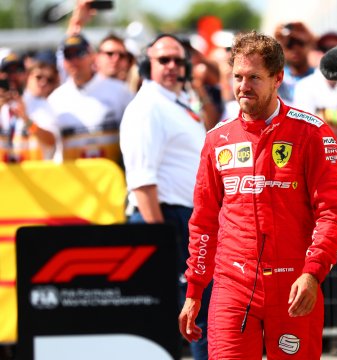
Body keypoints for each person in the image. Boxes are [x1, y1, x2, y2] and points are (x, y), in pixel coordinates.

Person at [179, 30, 337, 359]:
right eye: (238, 77)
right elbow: (203, 221)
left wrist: (313, 273)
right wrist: (195, 289)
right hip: (232, 284)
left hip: (293, 283)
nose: (244, 86)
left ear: (277, 78)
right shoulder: (217, 139)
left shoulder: (311, 132)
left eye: (254, 77)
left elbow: (332, 212)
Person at [120, 33, 211, 360]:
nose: (172, 66)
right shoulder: (147, 108)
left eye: (177, 59)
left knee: (198, 315)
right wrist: (161, 240)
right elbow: (142, 182)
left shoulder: (176, 102)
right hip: (163, 218)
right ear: (148, 64)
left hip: (186, 218)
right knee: (188, 316)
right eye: (163, 60)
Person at [48, 33, 132, 162]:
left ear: (92, 56)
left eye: (79, 53)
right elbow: (49, 144)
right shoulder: (55, 99)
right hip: (74, 178)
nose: (74, 60)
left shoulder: (120, 91)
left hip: (111, 178)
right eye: (68, 55)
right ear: (63, 61)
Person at [0, 53, 56, 162]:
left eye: (18, 71)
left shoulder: (40, 104)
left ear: (26, 75)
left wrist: (27, 120)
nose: (13, 76)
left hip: (33, 175)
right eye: (8, 72)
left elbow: (51, 141)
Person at [274, 21, 316, 103]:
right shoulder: (278, 79)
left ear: (310, 45)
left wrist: (307, 34)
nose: (295, 49)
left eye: (300, 43)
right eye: (289, 45)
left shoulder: (318, 76)